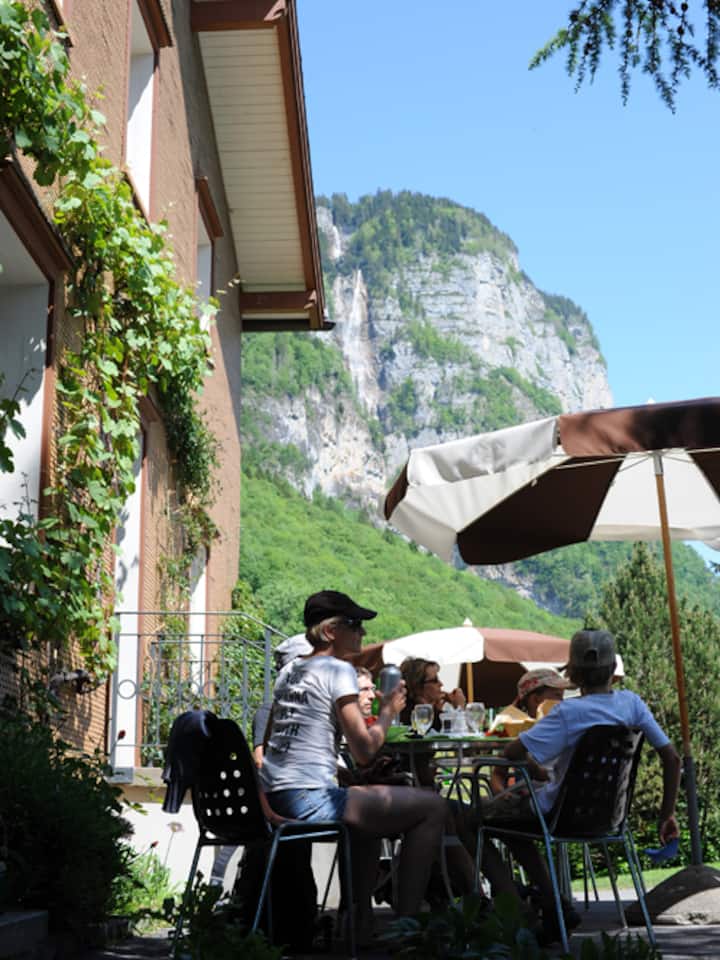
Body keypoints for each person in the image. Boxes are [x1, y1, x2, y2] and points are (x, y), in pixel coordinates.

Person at [260, 590, 447, 935]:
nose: (362, 632)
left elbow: (279, 744)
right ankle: (406, 929)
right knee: (433, 806)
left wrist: (344, 773)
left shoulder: (289, 672)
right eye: (354, 624)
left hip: (275, 796)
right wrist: (389, 711)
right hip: (308, 799)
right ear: (331, 632)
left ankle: (359, 922)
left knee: (368, 814)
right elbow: (365, 748)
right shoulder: (338, 670)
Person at [484, 629, 681, 942]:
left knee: (477, 822)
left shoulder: (566, 712)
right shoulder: (632, 704)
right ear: (613, 671)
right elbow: (672, 759)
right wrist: (666, 814)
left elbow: (510, 755)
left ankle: (532, 909)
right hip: (610, 818)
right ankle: (553, 906)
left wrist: (535, 771)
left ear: (572, 674)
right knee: (514, 829)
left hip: (559, 814)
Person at [399, 657, 466, 729]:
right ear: (418, 687)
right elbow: (459, 733)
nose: (441, 684)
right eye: (435, 680)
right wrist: (460, 708)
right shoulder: (414, 715)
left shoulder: (432, 712)